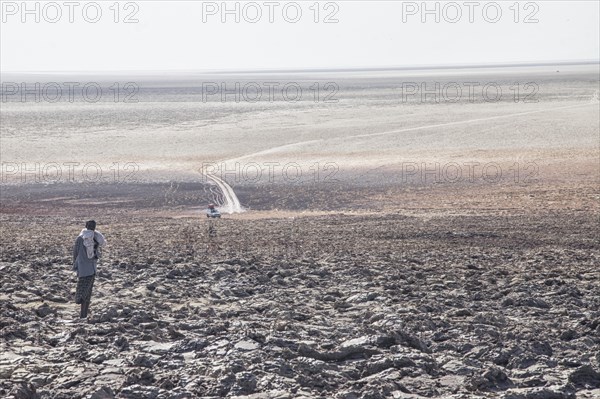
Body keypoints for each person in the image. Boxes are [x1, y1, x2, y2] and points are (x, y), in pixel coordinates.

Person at [72, 220, 106, 318]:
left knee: (84, 292)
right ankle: (83, 315)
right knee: (87, 292)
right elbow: (97, 253)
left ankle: (83, 315)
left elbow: (75, 253)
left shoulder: (81, 238)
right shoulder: (96, 238)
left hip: (83, 269)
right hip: (91, 268)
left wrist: (75, 265)